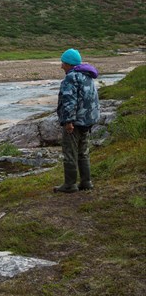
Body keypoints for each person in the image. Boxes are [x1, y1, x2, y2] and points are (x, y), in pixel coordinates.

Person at [54, 48, 100, 193]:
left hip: (75, 122)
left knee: (70, 152)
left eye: (63, 63)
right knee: (83, 152)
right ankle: (86, 182)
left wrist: (68, 121)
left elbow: (69, 101)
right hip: (87, 121)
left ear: (69, 64)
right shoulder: (87, 76)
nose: (61, 66)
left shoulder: (71, 78)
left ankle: (70, 185)